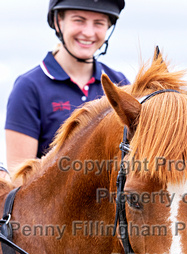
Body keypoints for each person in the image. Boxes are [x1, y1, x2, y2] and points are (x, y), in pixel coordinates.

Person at [5, 0, 129, 173]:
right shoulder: (29, 87)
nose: (88, 32)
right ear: (58, 22)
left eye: (99, 23)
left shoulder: (120, 84)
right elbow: (20, 178)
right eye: (79, 20)